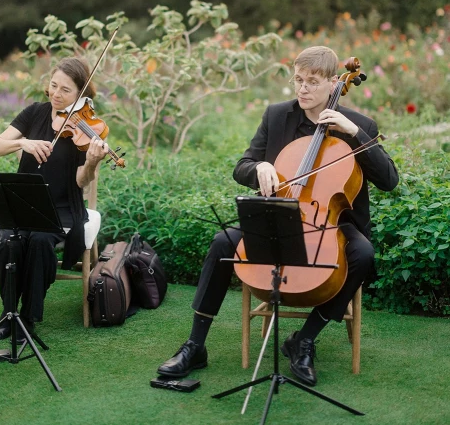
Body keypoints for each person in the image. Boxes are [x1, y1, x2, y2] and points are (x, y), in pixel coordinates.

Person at [157, 46, 399, 386]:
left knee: (363, 253)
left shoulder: (359, 125)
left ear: (333, 83)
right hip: (278, 216)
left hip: (333, 224)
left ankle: (305, 339)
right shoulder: (276, 116)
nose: (302, 88)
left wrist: (354, 133)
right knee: (222, 241)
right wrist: (260, 167)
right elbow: (241, 167)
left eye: (312, 82)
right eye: (298, 80)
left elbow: (389, 180)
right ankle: (195, 345)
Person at [0, 57, 109, 341]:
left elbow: (80, 181)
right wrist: (22, 142)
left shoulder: (85, 129)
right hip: (24, 201)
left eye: (65, 90)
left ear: (81, 94)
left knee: (40, 241)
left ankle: (28, 318)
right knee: (10, 243)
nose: (56, 94)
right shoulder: (34, 113)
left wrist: (91, 163)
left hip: (63, 206)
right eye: (53, 85)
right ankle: (8, 315)